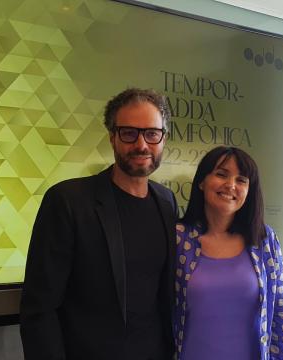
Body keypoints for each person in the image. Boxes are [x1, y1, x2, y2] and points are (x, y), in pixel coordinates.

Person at [20, 88, 177, 360]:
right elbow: (39, 310)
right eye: (129, 133)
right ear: (112, 137)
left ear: (163, 138)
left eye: (152, 134)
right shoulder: (68, 201)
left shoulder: (167, 202)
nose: (142, 145)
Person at [173, 146, 283, 360]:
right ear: (202, 181)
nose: (231, 185)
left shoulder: (264, 241)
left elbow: (280, 317)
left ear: (249, 190)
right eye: (221, 174)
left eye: (241, 180)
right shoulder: (179, 239)